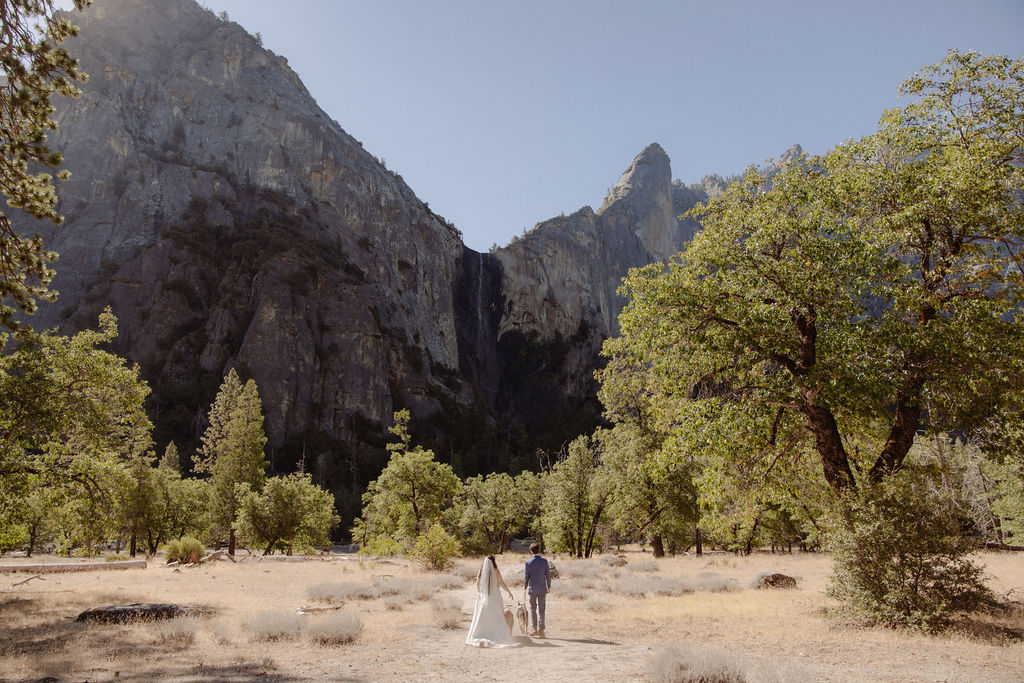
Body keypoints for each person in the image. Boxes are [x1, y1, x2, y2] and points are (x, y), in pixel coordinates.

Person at [466, 555, 520, 648]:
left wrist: (481, 593)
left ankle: (481, 634)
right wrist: (509, 591)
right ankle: (495, 634)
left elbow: (478, 583)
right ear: (494, 562)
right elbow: (501, 582)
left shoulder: (481, 571)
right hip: (495, 597)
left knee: (482, 616)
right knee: (496, 616)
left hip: (483, 597)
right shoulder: (496, 571)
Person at [523, 543, 551, 637]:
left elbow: (527, 577)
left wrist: (525, 586)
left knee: (532, 608)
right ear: (538, 550)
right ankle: (541, 630)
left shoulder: (528, 562)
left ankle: (534, 628)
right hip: (542, 588)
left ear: (531, 551)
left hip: (532, 589)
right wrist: (549, 586)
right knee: (542, 610)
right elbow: (548, 575)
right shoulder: (544, 561)